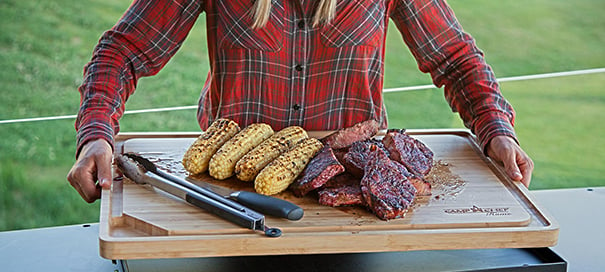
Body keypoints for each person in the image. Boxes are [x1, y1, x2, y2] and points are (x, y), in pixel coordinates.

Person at [67, 0, 533, 203]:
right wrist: (96, 136)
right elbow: (124, 50)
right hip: (232, 193)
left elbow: (453, 57)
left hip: (355, 192)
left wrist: (496, 130)